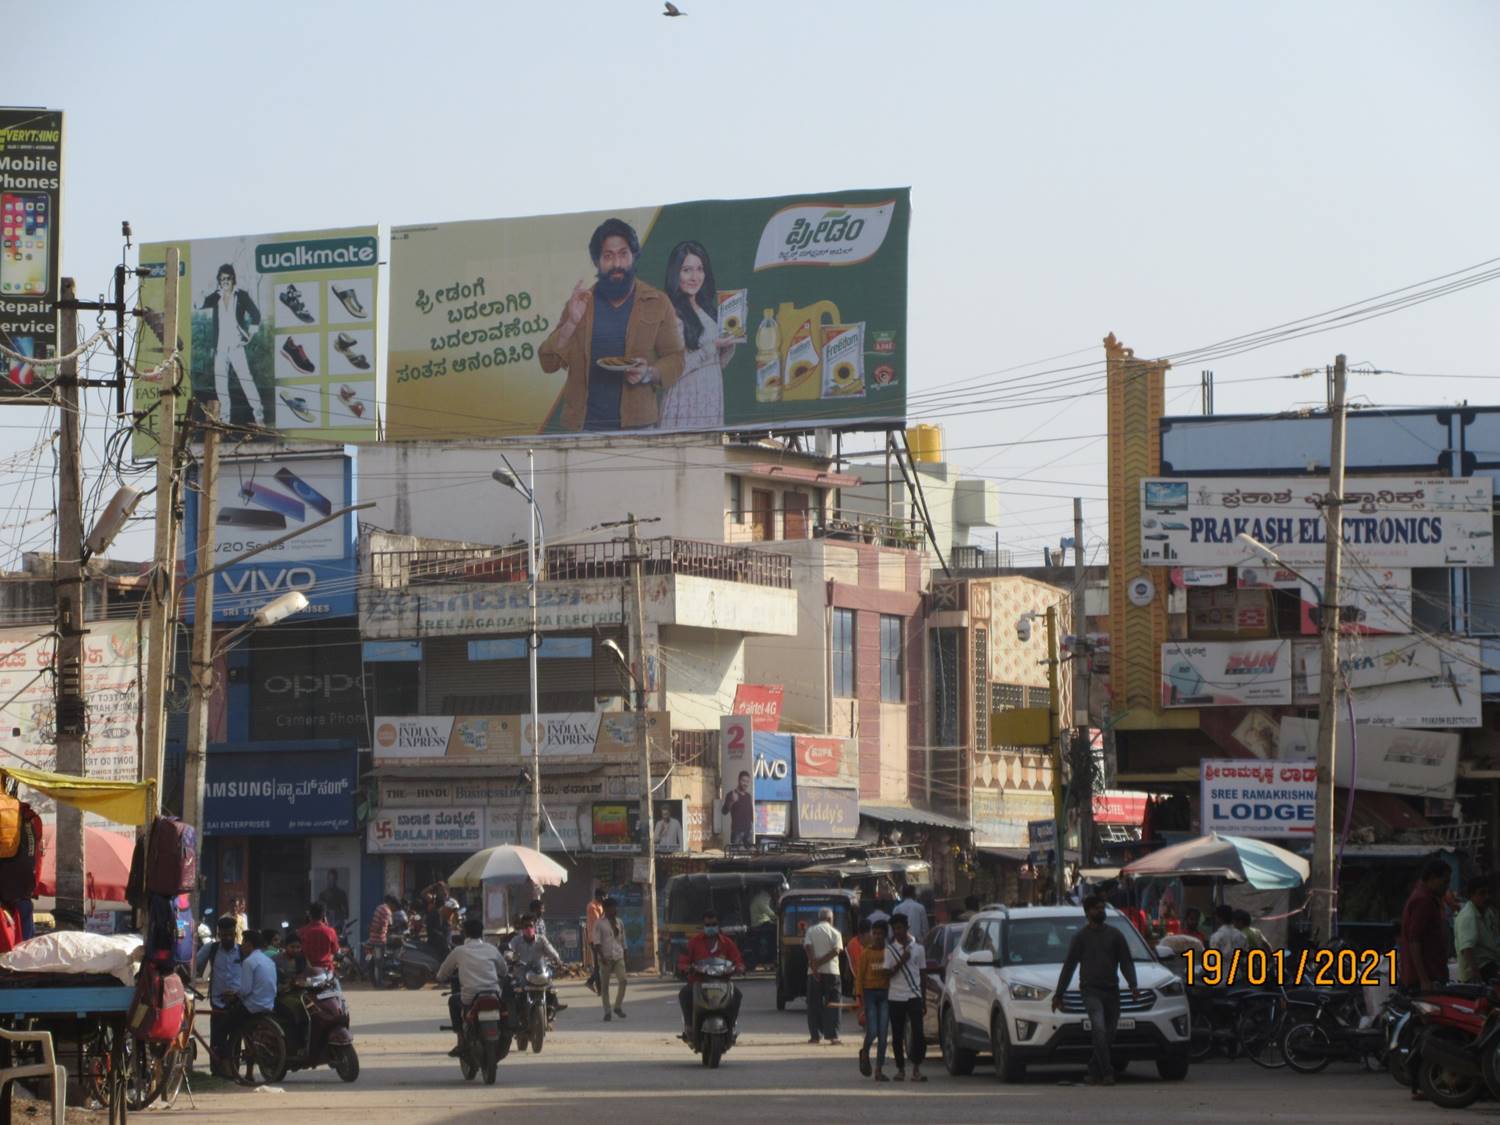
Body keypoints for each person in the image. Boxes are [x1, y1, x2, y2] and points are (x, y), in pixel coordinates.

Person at [538, 217, 685, 432]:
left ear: (634, 257)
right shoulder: (580, 305)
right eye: (608, 256)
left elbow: (676, 359)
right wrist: (571, 323)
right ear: (597, 261)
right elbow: (547, 363)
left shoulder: (658, 302)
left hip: (640, 427)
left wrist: (649, 373)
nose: (617, 264)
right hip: (584, 428)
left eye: (623, 254)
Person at [1052, 895, 1141, 1087]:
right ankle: (1108, 1073)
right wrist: (1059, 994)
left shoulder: (1116, 935)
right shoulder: (1081, 938)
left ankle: (1093, 1071)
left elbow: (1126, 962)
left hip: (1112, 991)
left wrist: (1133, 985)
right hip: (1091, 991)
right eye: (1096, 908)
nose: (1100, 911)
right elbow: (1069, 967)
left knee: (1109, 1035)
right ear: (1087, 912)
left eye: (1102, 908)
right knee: (1099, 1029)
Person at [657, 240, 738, 431]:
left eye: (700, 269)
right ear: (675, 273)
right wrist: (712, 347)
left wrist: (729, 343)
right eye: (687, 270)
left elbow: (718, 363)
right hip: (685, 397)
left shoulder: (708, 310)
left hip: (710, 394)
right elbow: (672, 370)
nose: (695, 277)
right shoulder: (668, 312)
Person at [201, 264, 265, 426]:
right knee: (221, 385)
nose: (225, 281)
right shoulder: (216, 297)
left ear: (233, 278)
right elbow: (198, 304)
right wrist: (206, 290)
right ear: (219, 281)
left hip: (236, 346)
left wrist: (250, 335)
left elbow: (256, 314)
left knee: (246, 380)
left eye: (228, 278)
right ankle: (225, 420)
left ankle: (259, 417)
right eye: (222, 279)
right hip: (220, 348)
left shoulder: (241, 295)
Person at [436, 916, 509, 1058]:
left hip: (470, 997)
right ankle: (504, 1033)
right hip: (494, 994)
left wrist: (440, 978)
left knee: (453, 1001)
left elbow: (442, 974)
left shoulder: (459, 951)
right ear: (481, 933)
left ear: (465, 933)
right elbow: (504, 971)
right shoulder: (491, 949)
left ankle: (461, 1038)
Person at [677, 910, 744, 1039]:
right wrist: (686, 967)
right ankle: (689, 1025)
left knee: (737, 995)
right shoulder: (694, 942)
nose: (711, 927)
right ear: (703, 926)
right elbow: (683, 961)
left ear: (718, 925)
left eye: (713, 924)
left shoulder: (727, 943)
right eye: (708, 925)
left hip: (722, 982)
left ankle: (732, 1027)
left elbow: (737, 959)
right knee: (685, 993)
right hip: (698, 981)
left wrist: (739, 967)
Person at [194, 915, 244, 1076]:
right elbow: (195, 963)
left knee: (235, 1037)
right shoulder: (212, 949)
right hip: (218, 1001)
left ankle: (234, 1071)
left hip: (237, 1001)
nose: (227, 938)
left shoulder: (242, 951)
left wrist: (238, 993)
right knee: (217, 1038)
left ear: (235, 933)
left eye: (230, 934)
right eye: (223, 935)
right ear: (218, 934)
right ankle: (217, 1072)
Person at [884, 912, 927, 1082]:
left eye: (900, 928)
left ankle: (916, 1068)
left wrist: (923, 999)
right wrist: (902, 960)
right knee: (897, 1034)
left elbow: (923, 974)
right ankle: (900, 1069)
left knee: (918, 1033)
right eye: (895, 929)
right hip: (895, 997)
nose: (898, 932)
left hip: (914, 996)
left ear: (907, 927)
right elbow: (887, 974)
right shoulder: (890, 950)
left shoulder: (919, 949)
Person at [1402, 859, 1453, 990]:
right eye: (1444, 882)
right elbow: (1414, 940)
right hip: (1427, 978)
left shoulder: (1428, 898)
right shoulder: (1423, 900)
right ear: (1432, 878)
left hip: (1432, 973)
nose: (1447, 886)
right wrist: (1424, 980)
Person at [509, 912, 566, 1014]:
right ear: (522, 927)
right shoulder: (516, 940)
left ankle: (552, 1007)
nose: (528, 928)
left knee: (551, 987)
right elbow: (509, 950)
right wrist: (510, 957)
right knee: (515, 991)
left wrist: (558, 960)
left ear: (534, 926)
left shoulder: (541, 939)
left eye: (530, 925)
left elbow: (551, 951)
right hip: (522, 972)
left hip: (540, 970)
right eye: (525, 926)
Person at [803, 906, 844, 1045]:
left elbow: (808, 947)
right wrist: (820, 962)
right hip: (832, 972)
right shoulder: (835, 933)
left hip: (813, 973)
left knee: (814, 1004)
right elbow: (836, 951)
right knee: (833, 1003)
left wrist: (814, 964)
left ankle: (815, 1036)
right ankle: (833, 1036)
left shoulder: (810, 931)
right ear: (830, 919)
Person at [857, 919, 892, 1081]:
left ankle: (878, 1069)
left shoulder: (889, 952)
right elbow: (860, 977)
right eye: (875, 933)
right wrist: (860, 998)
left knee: (883, 1034)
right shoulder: (866, 953)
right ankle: (865, 1052)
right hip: (870, 994)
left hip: (885, 994)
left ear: (885, 935)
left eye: (880, 933)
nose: (877, 936)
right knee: (872, 1031)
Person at [1456, 877, 1500, 983]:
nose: (1486, 897)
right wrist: (1476, 976)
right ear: (1471, 895)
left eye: (1488, 893)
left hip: (1491, 963)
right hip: (1478, 970)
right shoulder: (1468, 915)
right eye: (1482, 893)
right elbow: (1467, 948)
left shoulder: (1487, 912)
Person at [591, 895, 628, 1021]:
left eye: (615, 907)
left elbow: (623, 940)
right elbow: (596, 943)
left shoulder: (620, 922)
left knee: (623, 980)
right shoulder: (599, 923)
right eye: (612, 907)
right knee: (604, 986)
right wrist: (601, 957)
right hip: (605, 957)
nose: (615, 910)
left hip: (618, 956)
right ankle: (607, 1011)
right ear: (606, 909)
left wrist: (626, 955)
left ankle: (617, 1006)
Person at [298, 902, 340, 973]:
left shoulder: (301, 932)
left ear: (309, 914)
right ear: (323, 914)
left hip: (307, 970)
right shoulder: (330, 931)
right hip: (327, 969)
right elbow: (335, 950)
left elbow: (299, 952)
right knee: (336, 983)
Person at [367, 894, 398, 985]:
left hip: (373, 938)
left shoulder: (379, 907)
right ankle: (379, 982)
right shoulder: (387, 911)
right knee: (378, 963)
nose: (394, 908)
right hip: (379, 940)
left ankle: (374, 981)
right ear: (391, 903)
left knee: (374, 962)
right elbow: (383, 926)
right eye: (394, 905)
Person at [1208, 904, 1249, 973]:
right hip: (1238, 976)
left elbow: (1212, 961)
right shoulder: (1242, 936)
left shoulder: (1215, 937)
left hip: (1220, 977)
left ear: (1218, 918)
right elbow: (1246, 958)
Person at [721, 771, 754, 847]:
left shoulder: (748, 796)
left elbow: (750, 813)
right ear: (739, 780)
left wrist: (751, 827)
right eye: (743, 781)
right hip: (737, 831)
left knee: (750, 856)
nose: (745, 783)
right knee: (735, 855)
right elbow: (724, 811)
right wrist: (732, 801)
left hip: (748, 832)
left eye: (747, 781)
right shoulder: (731, 794)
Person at [584, 886, 607, 991]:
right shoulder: (592, 907)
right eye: (604, 896)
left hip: (601, 938)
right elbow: (598, 922)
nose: (605, 898)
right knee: (598, 964)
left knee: (601, 964)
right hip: (594, 939)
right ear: (598, 896)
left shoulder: (600, 905)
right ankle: (599, 988)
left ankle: (591, 982)